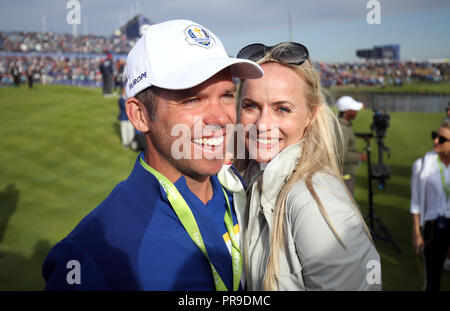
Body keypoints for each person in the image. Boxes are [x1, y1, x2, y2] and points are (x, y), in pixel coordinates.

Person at [41, 19, 263, 290]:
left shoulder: (239, 193)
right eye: (191, 99)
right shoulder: (92, 255)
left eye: (227, 95)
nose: (221, 117)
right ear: (140, 115)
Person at [231, 42, 381, 290]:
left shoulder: (316, 204)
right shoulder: (252, 179)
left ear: (311, 115)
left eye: (282, 109)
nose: (262, 124)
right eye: (251, 106)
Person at [411, 121, 450, 291]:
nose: (435, 141)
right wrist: (416, 233)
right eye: (435, 136)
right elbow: (416, 203)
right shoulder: (422, 165)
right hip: (433, 228)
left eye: (442, 139)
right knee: (433, 278)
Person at [336, 96, 367, 195]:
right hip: (344, 173)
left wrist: (355, 152)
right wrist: (359, 157)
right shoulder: (343, 128)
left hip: (344, 171)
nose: (356, 111)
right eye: (354, 109)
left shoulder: (344, 125)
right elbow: (340, 155)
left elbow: (345, 147)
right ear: (347, 111)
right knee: (347, 201)